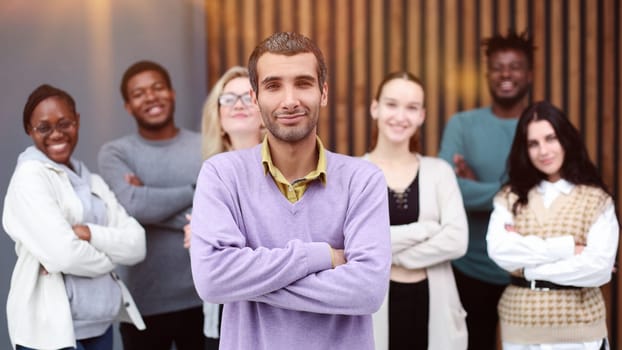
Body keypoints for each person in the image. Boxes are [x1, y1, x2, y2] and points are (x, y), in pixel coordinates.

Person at [189, 32, 392, 350]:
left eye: (303, 83)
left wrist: (246, 281)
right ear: (255, 99)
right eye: (273, 86)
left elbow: (367, 291)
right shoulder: (221, 175)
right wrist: (319, 256)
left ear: (323, 93)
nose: (289, 100)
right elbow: (212, 280)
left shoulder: (363, 180)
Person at [3, 84, 146, 350]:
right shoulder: (30, 177)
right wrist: (110, 260)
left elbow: (137, 244)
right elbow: (63, 255)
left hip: (100, 325)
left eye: (64, 123)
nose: (56, 134)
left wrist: (89, 233)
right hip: (50, 332)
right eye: (43, 127)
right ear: (29, 130)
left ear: (77, 121)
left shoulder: (92, 181)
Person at [486, 101, 618, 350]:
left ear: (566, 139)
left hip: (579, 334)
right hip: (519, 329)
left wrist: (529, 271)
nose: (543, 150)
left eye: (550, 138)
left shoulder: (596, 199)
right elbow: (500, 251)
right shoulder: (509, 196)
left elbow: (598, 268)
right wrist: (567, 247)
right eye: (533, 143)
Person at [438, 29, 535, 350]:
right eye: (497, 67)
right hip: (469, 268)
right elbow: (446, 192)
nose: (505, 74)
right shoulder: (462, 125)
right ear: (487, 74)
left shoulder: (542, 128)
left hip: (528, 268)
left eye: (515, 66)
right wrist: (513, 189)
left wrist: (476, 184)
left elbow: (546, 196)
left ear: (530, 74)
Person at [98, 60, 204, 350]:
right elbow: (134, 208)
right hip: (142, 304)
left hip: (204, 297)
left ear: (171, 93)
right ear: (128, 106)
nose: (151, 97)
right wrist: (197, 191)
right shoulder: (115, 153)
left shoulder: (208, 145)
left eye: (158, 88)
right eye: (139, 93)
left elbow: (224, 220)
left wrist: (146, 198)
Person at [366, 72, 468, 350]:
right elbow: (350, 245)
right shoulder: (353, 174)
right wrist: (426, 230)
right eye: (392, 104)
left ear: (422, 115)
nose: (401, 116)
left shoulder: (439, 172)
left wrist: (387, 253)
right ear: (375, 108)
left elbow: (457, 240)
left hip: (433, 303)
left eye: (411, 108)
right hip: (375, 308)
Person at [184, 66, 263, 349]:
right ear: (217, 113)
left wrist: (209, 234)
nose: (238, 105)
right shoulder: (210, 173)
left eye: (247, 97)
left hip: (269, 314)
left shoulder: (283, 170)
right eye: (228, 99)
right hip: (220, 314)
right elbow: (209, 257)